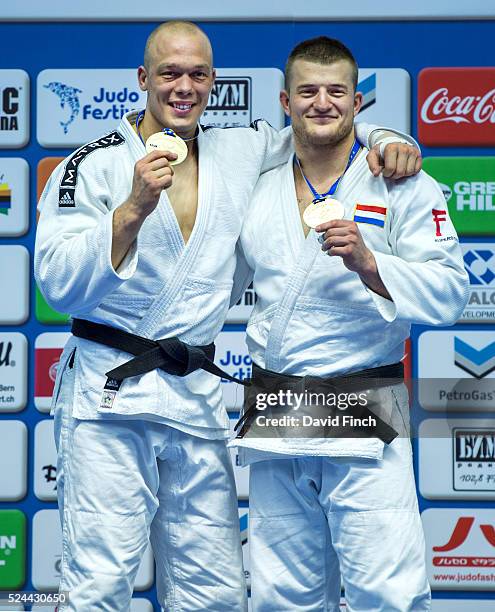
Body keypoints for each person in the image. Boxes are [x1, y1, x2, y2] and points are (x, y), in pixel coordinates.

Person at [35, 21, 422, 612]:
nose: (184, 87)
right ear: (144, 80)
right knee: (100, 584)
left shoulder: (238, 149)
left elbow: (320, 125)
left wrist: (386, 135)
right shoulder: (91, 163)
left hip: (193, 398)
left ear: (214, 82)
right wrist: (134, 209)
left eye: (197, 74)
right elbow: (58, 282)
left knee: (214, 591)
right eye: (169, 73)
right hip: (109, 396)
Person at [231, 37, 469, 611]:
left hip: (365, 409)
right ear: (284, 102)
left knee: (388, 594)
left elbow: (451, 293)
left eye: (336, 91)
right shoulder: (253, 188)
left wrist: (371, 263)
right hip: (278, 409)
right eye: (308, 91)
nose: (322, 103)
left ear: (358, 103)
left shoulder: (401, 182)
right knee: (280, 596)